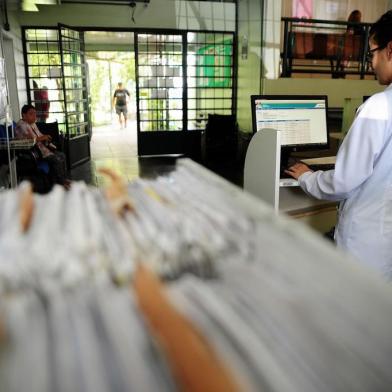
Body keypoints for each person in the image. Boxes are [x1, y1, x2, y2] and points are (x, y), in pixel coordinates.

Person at [285, 10, 392, 279]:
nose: (371, 63)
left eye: (372, 53)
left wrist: (308, 177)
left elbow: (344, 181)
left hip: (366, 246)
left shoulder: (379, 107)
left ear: (390, 50)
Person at [15, 104, 71, 190]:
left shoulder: (32, 124)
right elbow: (32, 139)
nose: (34, 116)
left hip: (42, 149)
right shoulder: (22, 125)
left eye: (35, 113)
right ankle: (60, 183)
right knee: (56, 159)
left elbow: (39, 135)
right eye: (31, 114)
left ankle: (61, 180)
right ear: (24, 115)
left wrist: (46, 138)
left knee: (62, 155)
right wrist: (43, 138)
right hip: (34, 153)